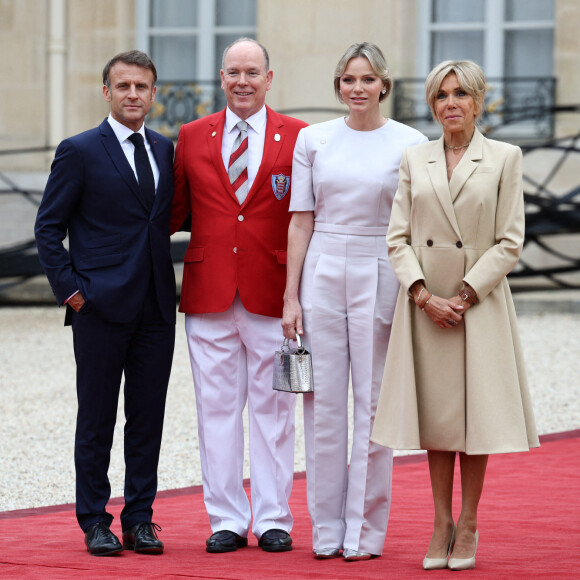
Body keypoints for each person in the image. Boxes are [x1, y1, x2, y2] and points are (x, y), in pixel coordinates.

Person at [371, 60, 539, 571]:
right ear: (431, 103)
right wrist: (424, 295)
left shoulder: (505, 157)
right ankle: (440, 520)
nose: (450, 103)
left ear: (478, 99)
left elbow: (510, 241)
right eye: (441, 95)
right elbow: (396, 238)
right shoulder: (413, 157)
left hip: (478, 304)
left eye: (460, 93)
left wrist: (464, 295)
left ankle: (468, 521)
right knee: (439, 418)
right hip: (426, 305)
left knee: (477, 416)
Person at [281, 42, 427, 561]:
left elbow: (416, 227)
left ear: (384, 84)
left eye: (367, 79)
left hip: (382, 264)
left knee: (371, 406)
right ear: (338, 86)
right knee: (322, 407)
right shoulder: (312, 139)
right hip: (322, 264)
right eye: (348, 79)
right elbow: (301, 218)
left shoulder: (411, 142)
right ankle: (325, 530)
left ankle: (363, 533)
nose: (357, 88)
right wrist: (289, 296)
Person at [34, 50, 176, 556]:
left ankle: (140, 519)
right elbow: (48, 227)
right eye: (123, 86)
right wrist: (73, 293)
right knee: (95, 419)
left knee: (147, 418)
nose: (133, 94)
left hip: (156, 309)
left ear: (154, 94)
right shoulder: (79, 150)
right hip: (97, 308)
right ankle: (95, 519)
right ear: (107, 93)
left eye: (142, 86)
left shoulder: (165, 150)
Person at [170, 38, 307, 554]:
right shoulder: (191, 135)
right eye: (234, 72)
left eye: (253, 72)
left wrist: (300, 292)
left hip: (273, 295)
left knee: (274, 411)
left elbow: (305, 216)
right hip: (208, 295)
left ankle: (274, 518)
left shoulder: (298, 136)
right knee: (216, 410)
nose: (243, 81)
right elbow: (175, 212)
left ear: (269, 78)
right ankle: (225, 518)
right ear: (221, 78)